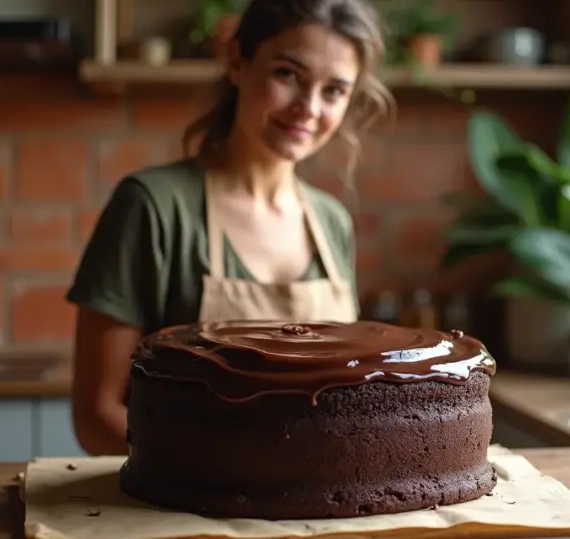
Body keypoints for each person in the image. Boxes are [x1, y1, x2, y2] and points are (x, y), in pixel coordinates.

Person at [64, 0, 396, 456]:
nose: (308, 108)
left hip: (318, 508)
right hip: (184, 512)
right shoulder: (152, 206)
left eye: (334, 91)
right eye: (288, 75)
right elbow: (97, 414)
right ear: (238, 62)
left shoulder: (331, 222)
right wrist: (242, 470)